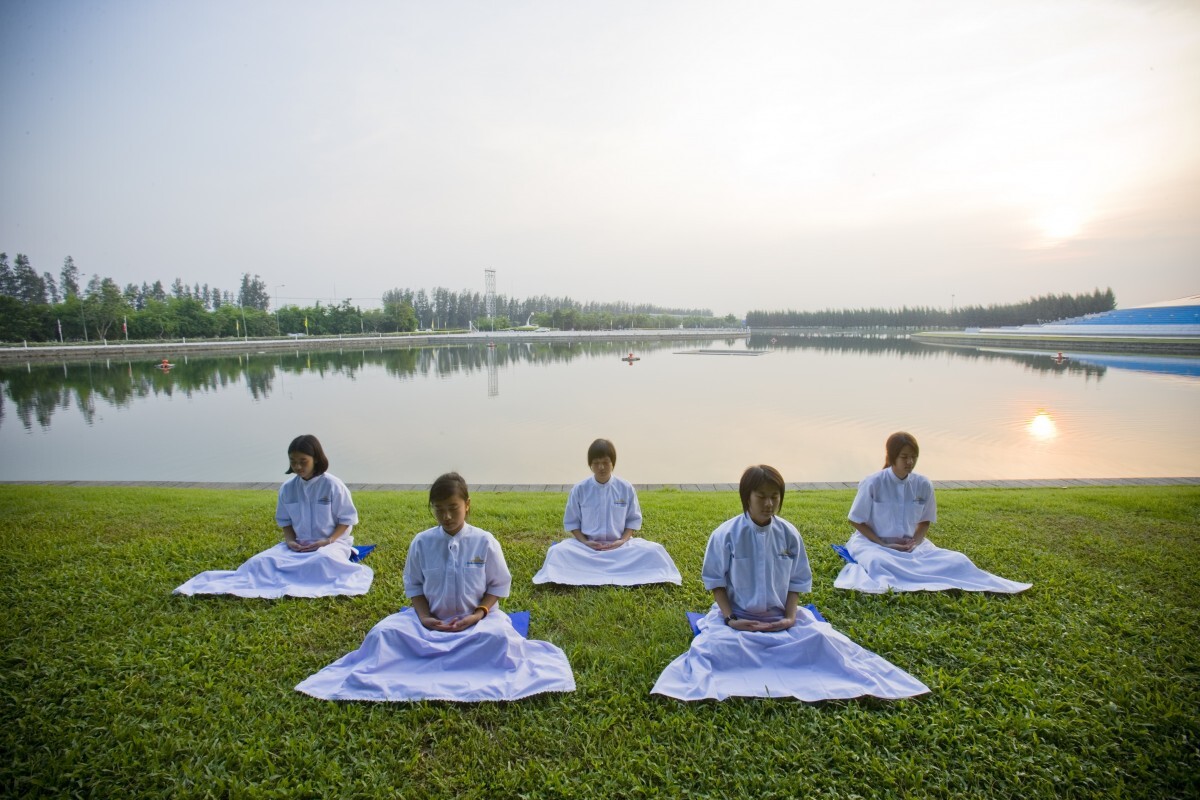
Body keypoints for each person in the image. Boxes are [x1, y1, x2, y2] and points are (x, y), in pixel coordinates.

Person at [651, 465, 929, 701]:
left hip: (780, 621)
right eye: (761, 497)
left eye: (774, 497)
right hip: (739, 624)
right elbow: (715, 581)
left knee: (823, 641)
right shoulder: (725, 535)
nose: (769, 504)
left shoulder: (789, 534)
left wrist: (789, 617)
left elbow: (798, 580)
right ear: (746, 498)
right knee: (711, 650)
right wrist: (731, 618)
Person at [295, 473, 576, 702]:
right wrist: (425, 618)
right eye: (439, 510)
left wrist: (477, 615)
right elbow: (414, 586)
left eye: (453, 508)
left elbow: (499, 586)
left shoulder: (484, 541)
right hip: (429, 625)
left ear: (467, 504)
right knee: (383, 635)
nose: (447, 516)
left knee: (502, 642)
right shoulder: (422, 542)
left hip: (477, 624)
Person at [173, 434, 372, 598]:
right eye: (294, 462)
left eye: (303, 462)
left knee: (322, 562)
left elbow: (347, 520)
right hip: (299, 546)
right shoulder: (288, 488)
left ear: (316, 459)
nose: (298, 467)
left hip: (330, 544)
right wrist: (291, 542)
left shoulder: (332, 485)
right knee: (260, 563)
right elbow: (285, 522)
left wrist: (327, 540)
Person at [834, 432, 1032, 594]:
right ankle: (901, 569)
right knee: (878, 562)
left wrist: (914, 543)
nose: (910, 462)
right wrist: (884, 544)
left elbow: (925, 521)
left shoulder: (922, 484)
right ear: (891, 456)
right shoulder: (873, 482)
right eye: (904, 457)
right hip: (874, 544)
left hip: (911, 545)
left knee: (957, 560)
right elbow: (856, 520)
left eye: (913, 457)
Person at [532, 438, 681, 586]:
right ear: (590, 465)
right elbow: (572, 522)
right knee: (556, 552)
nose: (601, 467)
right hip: (587, 550)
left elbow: (633, 520)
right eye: (596, 463)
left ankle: (587, 572)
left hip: (620, 549)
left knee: (655, 551)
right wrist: (585, 542)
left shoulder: (625, 488)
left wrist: (622, 541)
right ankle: (609, 569)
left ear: (613, 463)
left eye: (605, 462)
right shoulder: (580, 489)